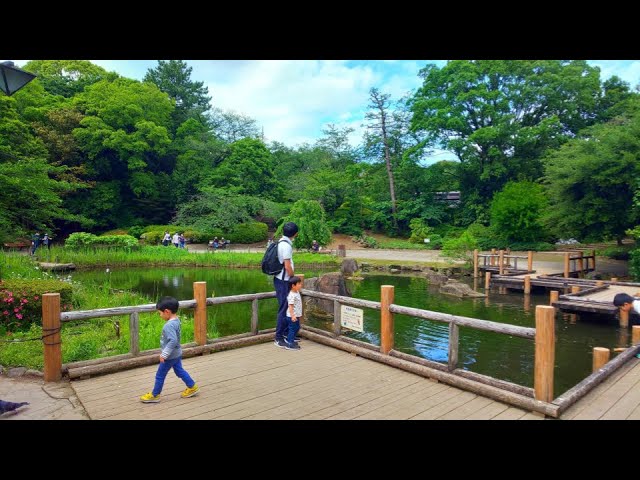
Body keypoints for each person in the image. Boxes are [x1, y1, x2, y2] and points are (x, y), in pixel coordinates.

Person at [140, 296, 199, 403]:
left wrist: (164, 354)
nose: (160, 315)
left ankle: (155, 395)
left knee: (160, 375)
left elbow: (173, 341)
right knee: (180, 371)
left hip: (170, 356)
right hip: (177, 353)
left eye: (160, 313)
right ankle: (192, 387)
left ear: (167, 311)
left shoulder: (168, 326)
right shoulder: (176, 320)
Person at [273, 222, 299, 348]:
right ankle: (278, 338)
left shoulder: (280, 242)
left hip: (280, 279)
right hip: (284, 281)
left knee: (286, 307)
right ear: (296, 234)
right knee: (284, 309)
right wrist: (294, 278)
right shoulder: (286, 246)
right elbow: (287, 266)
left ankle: (285, 333)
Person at [613, 293, 640, 358]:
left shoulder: (638, 306)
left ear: (626, 304)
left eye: (621, 308)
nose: (622, 310)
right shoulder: (636, 303)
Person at [285, 276, 303, 350]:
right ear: (293, 286)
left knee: (297, 327)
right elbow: (290, 306)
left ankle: (290, 339)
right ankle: (289, 343)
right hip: (292, 316)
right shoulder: (292, 295)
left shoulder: (297, 292)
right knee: (292, 329)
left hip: (296, 315)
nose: (301, 285)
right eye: (299, 284)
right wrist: (292, 316)